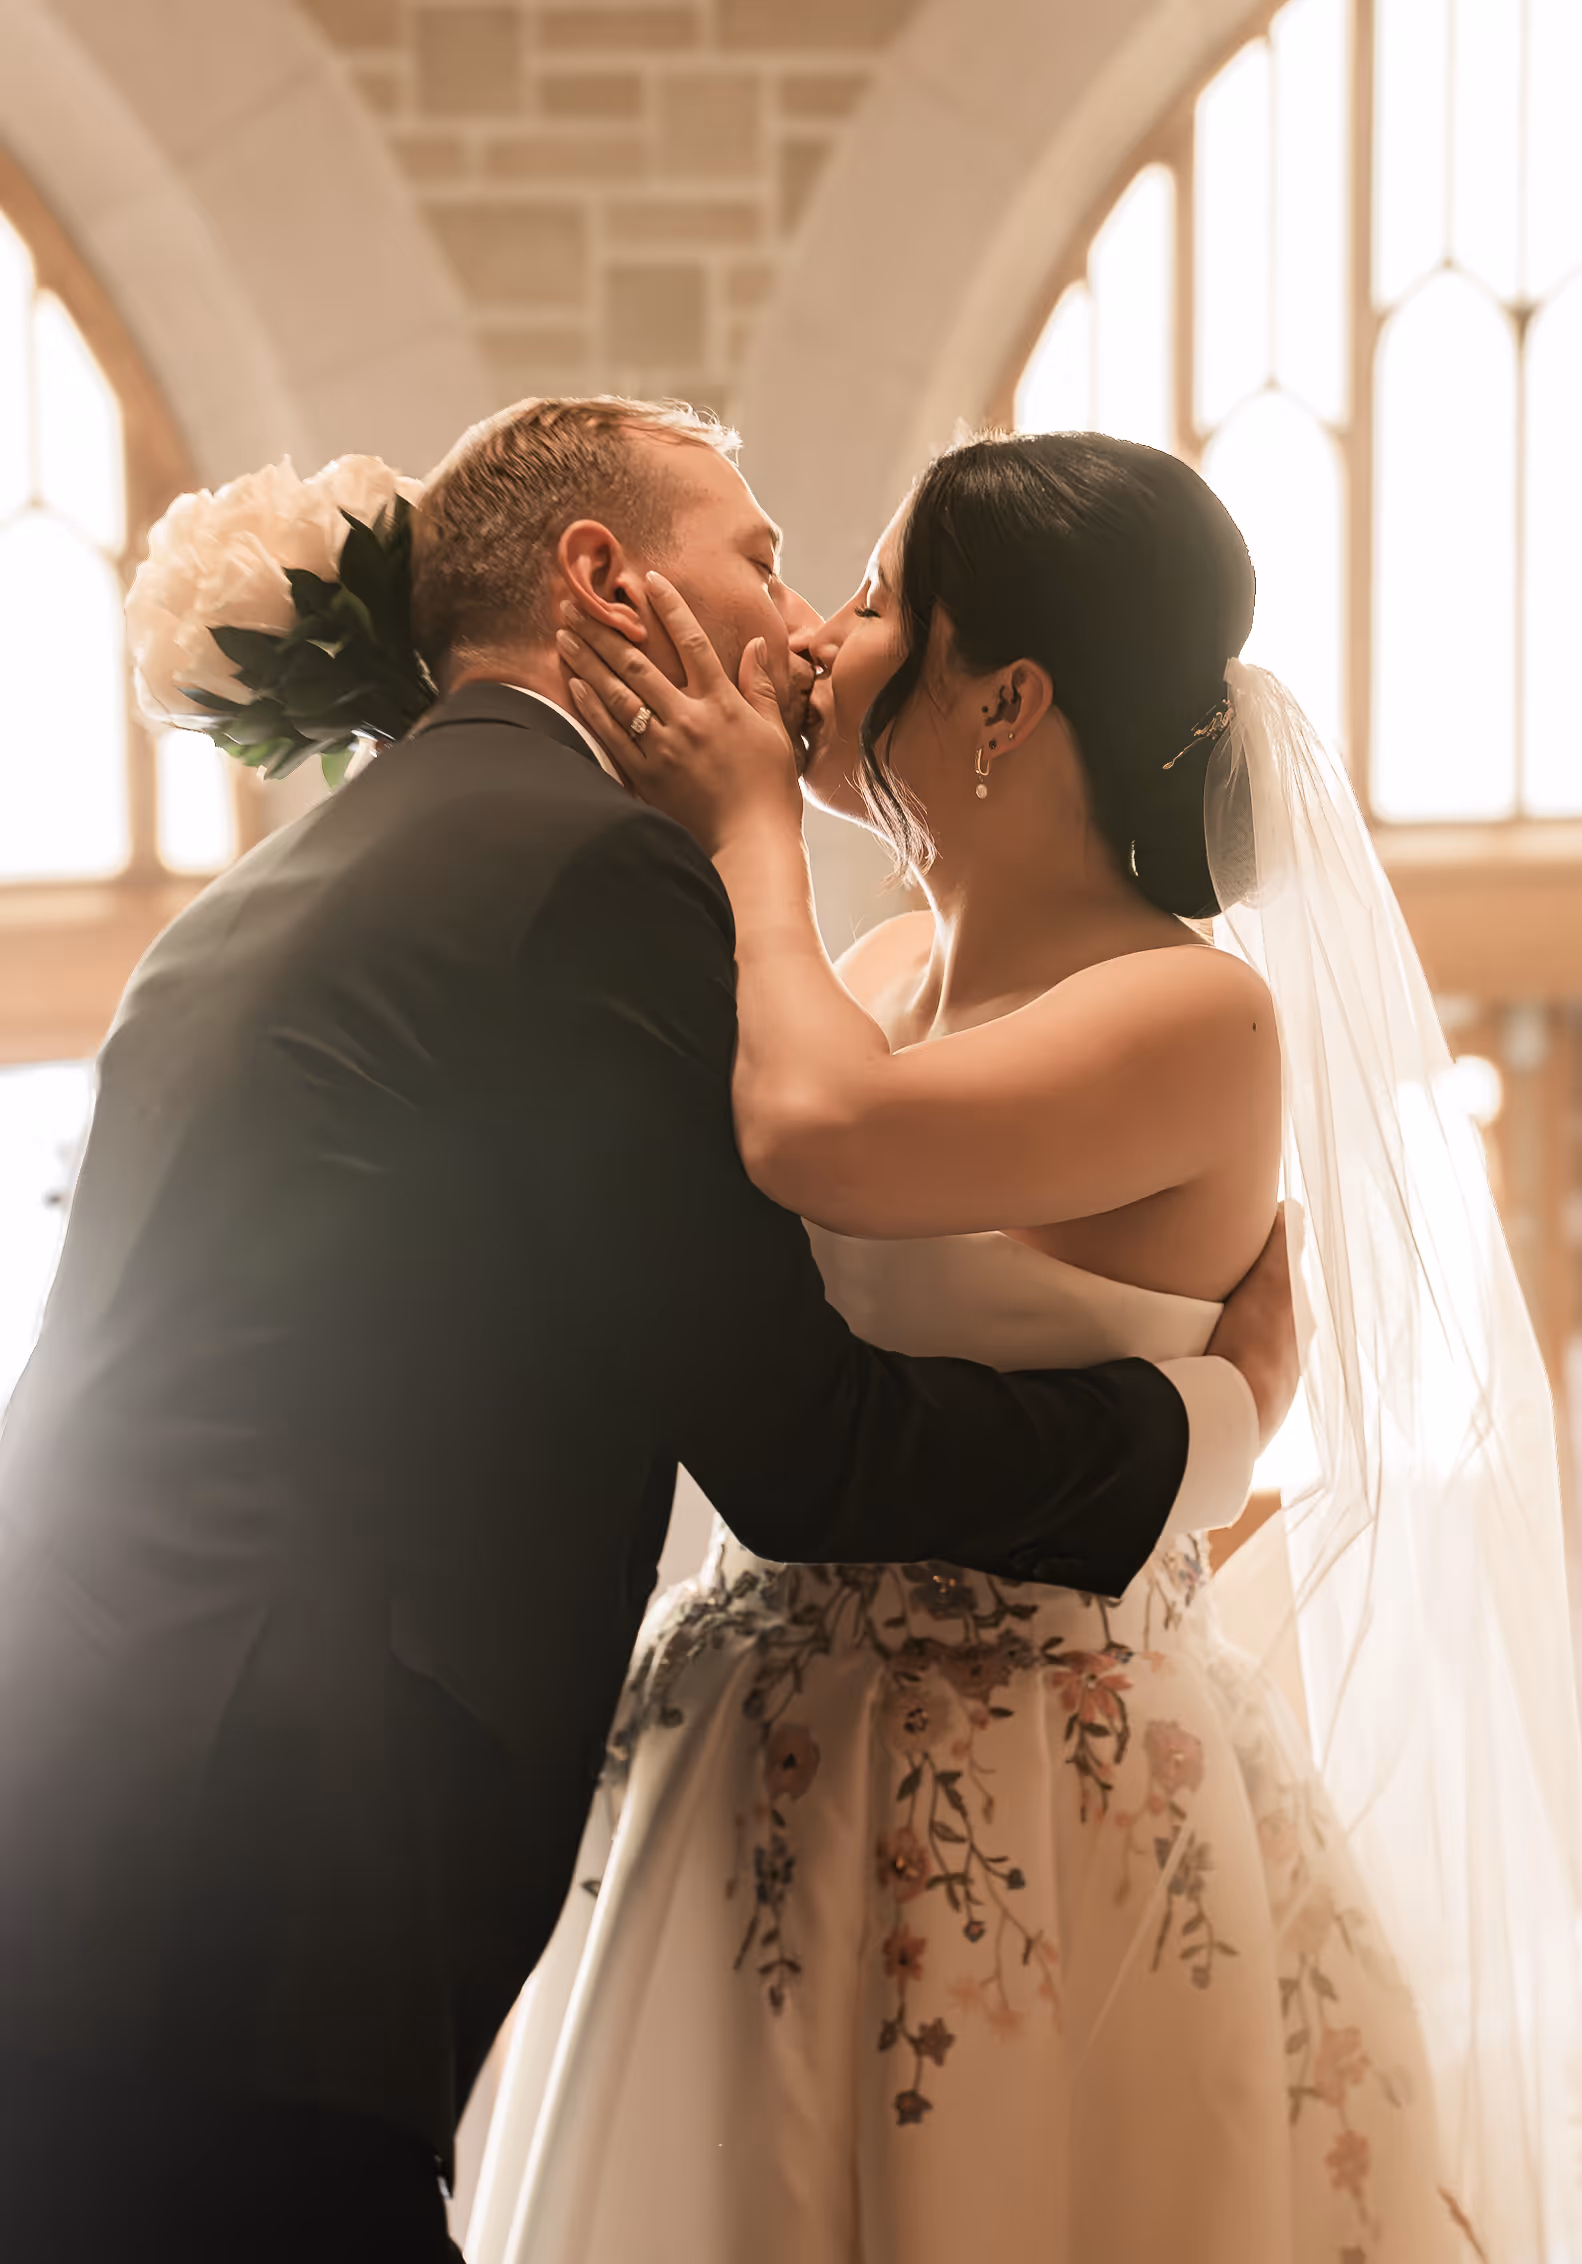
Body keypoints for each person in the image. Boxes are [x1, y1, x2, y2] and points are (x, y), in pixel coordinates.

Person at [0, 400, 1293, 2263]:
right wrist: (1216, 1415)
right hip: (261, 1870)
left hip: (141, 1816)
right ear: (602, 578)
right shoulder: (595, 884)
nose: (806, 634)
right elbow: (803, 1438)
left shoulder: (316, 877)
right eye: (772, 563)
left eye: (850, 591)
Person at [468, 430, 1582, 2263]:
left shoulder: (1186, 1011)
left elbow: (821, 1144)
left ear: (1007, 696)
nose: (822, 636)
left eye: (881, 595)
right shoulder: (885, 971)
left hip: (1028, 1809)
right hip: (758, 1761)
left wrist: (748, 828)